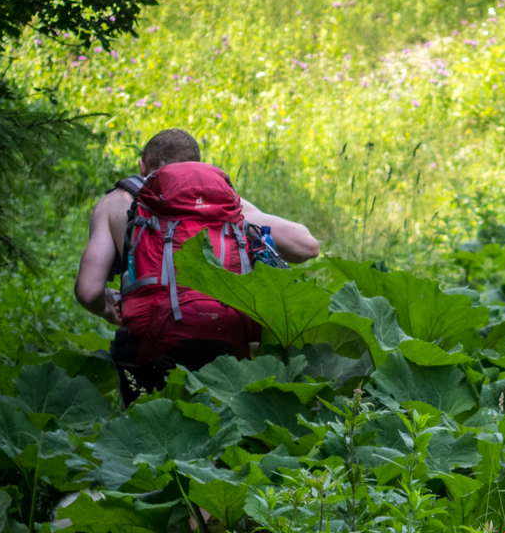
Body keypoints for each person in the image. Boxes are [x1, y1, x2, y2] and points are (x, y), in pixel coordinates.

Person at [74, 129, 320, 406]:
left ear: (143, 166)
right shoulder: (226, 204)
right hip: (226, 343)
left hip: (151, 348)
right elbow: (307, 247)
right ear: (197, 163)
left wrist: (108, 309)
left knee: (150, 426)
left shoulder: (116, 203)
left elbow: (88, 291)